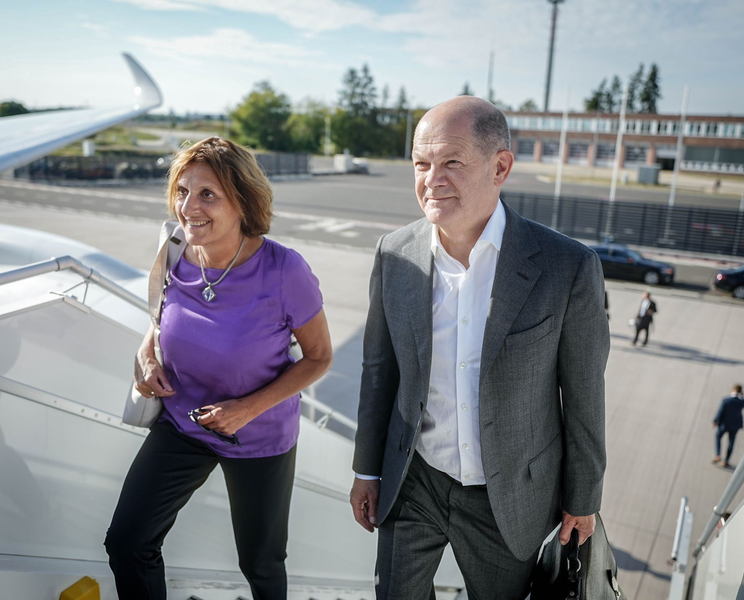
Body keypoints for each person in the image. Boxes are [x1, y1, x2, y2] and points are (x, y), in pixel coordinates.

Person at [349, 96, 610, 600]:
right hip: (415, 479)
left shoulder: (567, 267)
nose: (432, 179)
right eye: (422, 164)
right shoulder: (394, 253)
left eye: (451, 162)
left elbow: (583, 395)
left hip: (507, 496)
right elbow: (379, 372)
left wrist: (583, 498)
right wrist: (366, 468)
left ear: (501, 167)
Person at [105, 137, 333, 600]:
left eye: (208, 194)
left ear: (243, 202)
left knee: (261, 565)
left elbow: (318, 357)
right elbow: (159, 320)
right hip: (183, 424)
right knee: (127, 543)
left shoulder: (284, 270)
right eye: (183, 191)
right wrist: (146, 357)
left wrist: (247, 409)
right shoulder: (174, 250)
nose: (189, 206)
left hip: (260, 436)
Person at [712, 384, 744, 468]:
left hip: (724, 424)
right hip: (735, 426)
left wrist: (715, 421)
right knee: (731, 443)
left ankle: (718, 455)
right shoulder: (741, 402)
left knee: (718, 437)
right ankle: (726, 461)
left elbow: (720, 411)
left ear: (733, 389)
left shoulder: (726, 400)